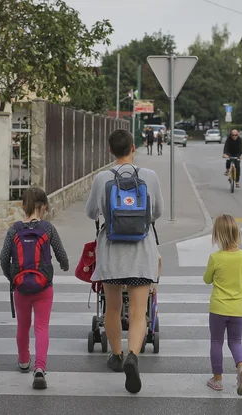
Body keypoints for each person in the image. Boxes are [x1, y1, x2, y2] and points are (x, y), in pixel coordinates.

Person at [85, 128, 164, 394]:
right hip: (141, 252)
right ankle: (133, 354)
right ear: (133, 147)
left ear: (110, 151)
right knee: (139, 312)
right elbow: (157, 212)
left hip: (111, 254)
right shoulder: (150, 177)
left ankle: (117, 356)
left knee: (113, 309)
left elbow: (90, 212)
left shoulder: (102, 177)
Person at [0, 186, 69, 390]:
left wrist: (12, 278)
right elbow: (61, 255)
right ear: (44, 206)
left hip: (20, 287)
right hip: (44, 287)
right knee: (41, 327)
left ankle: (23, 361)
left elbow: (4, 258)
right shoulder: (48, 228)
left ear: (23, 206)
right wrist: (64, 266)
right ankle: (39, 367)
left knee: (23, 326)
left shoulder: (14, 229)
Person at [202, 214, 242, 395]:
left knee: (216, 342)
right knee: (235, 342)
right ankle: (241, 368)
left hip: (218, 308)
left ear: (218, 235)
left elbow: (207, 279)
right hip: (238, 309)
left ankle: (217, 380)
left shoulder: (216, 258)